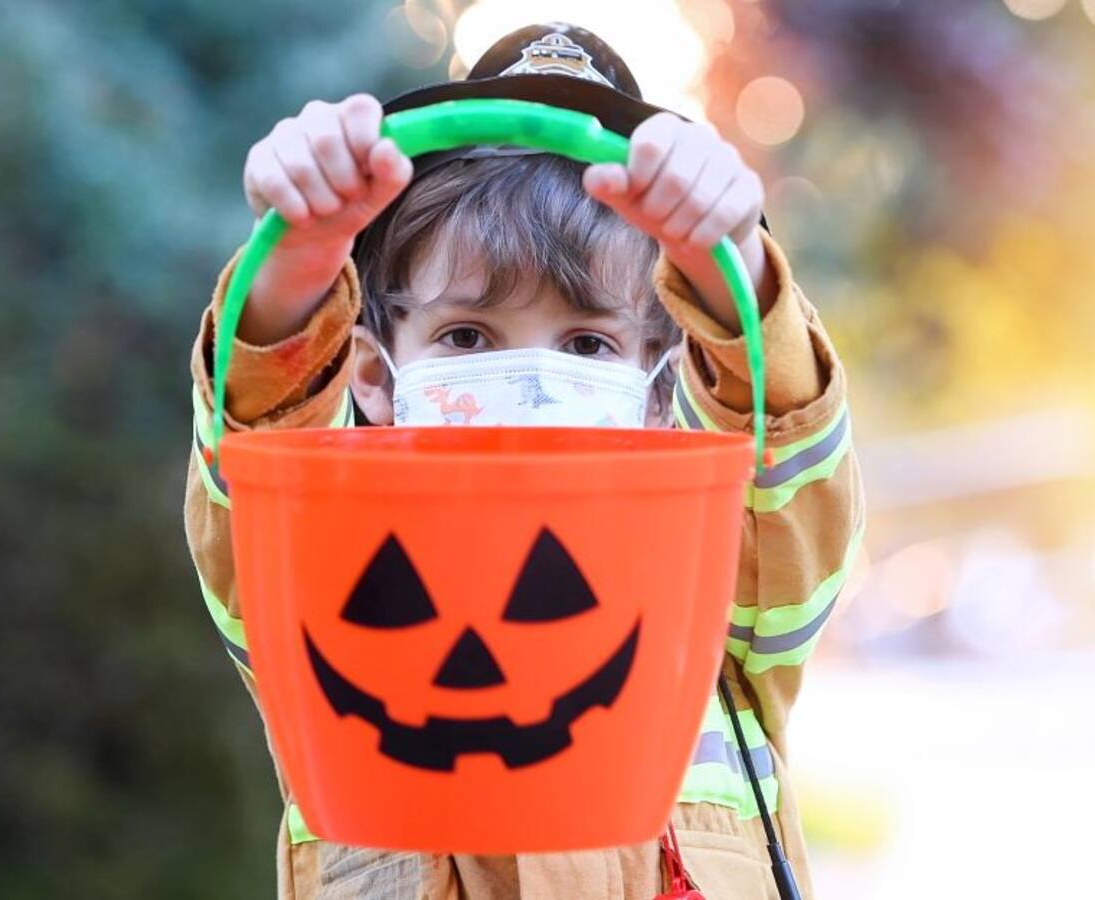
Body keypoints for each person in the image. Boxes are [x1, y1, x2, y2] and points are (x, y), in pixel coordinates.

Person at [184, 22, 863, 900]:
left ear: (658, 393)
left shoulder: (710, 604)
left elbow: (786, 479)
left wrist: (730, 274)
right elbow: (253, 483)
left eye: (586, 344)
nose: (534, 384)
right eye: (467, 335)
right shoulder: (338, 590)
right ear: (373, 376)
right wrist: (290, 279)